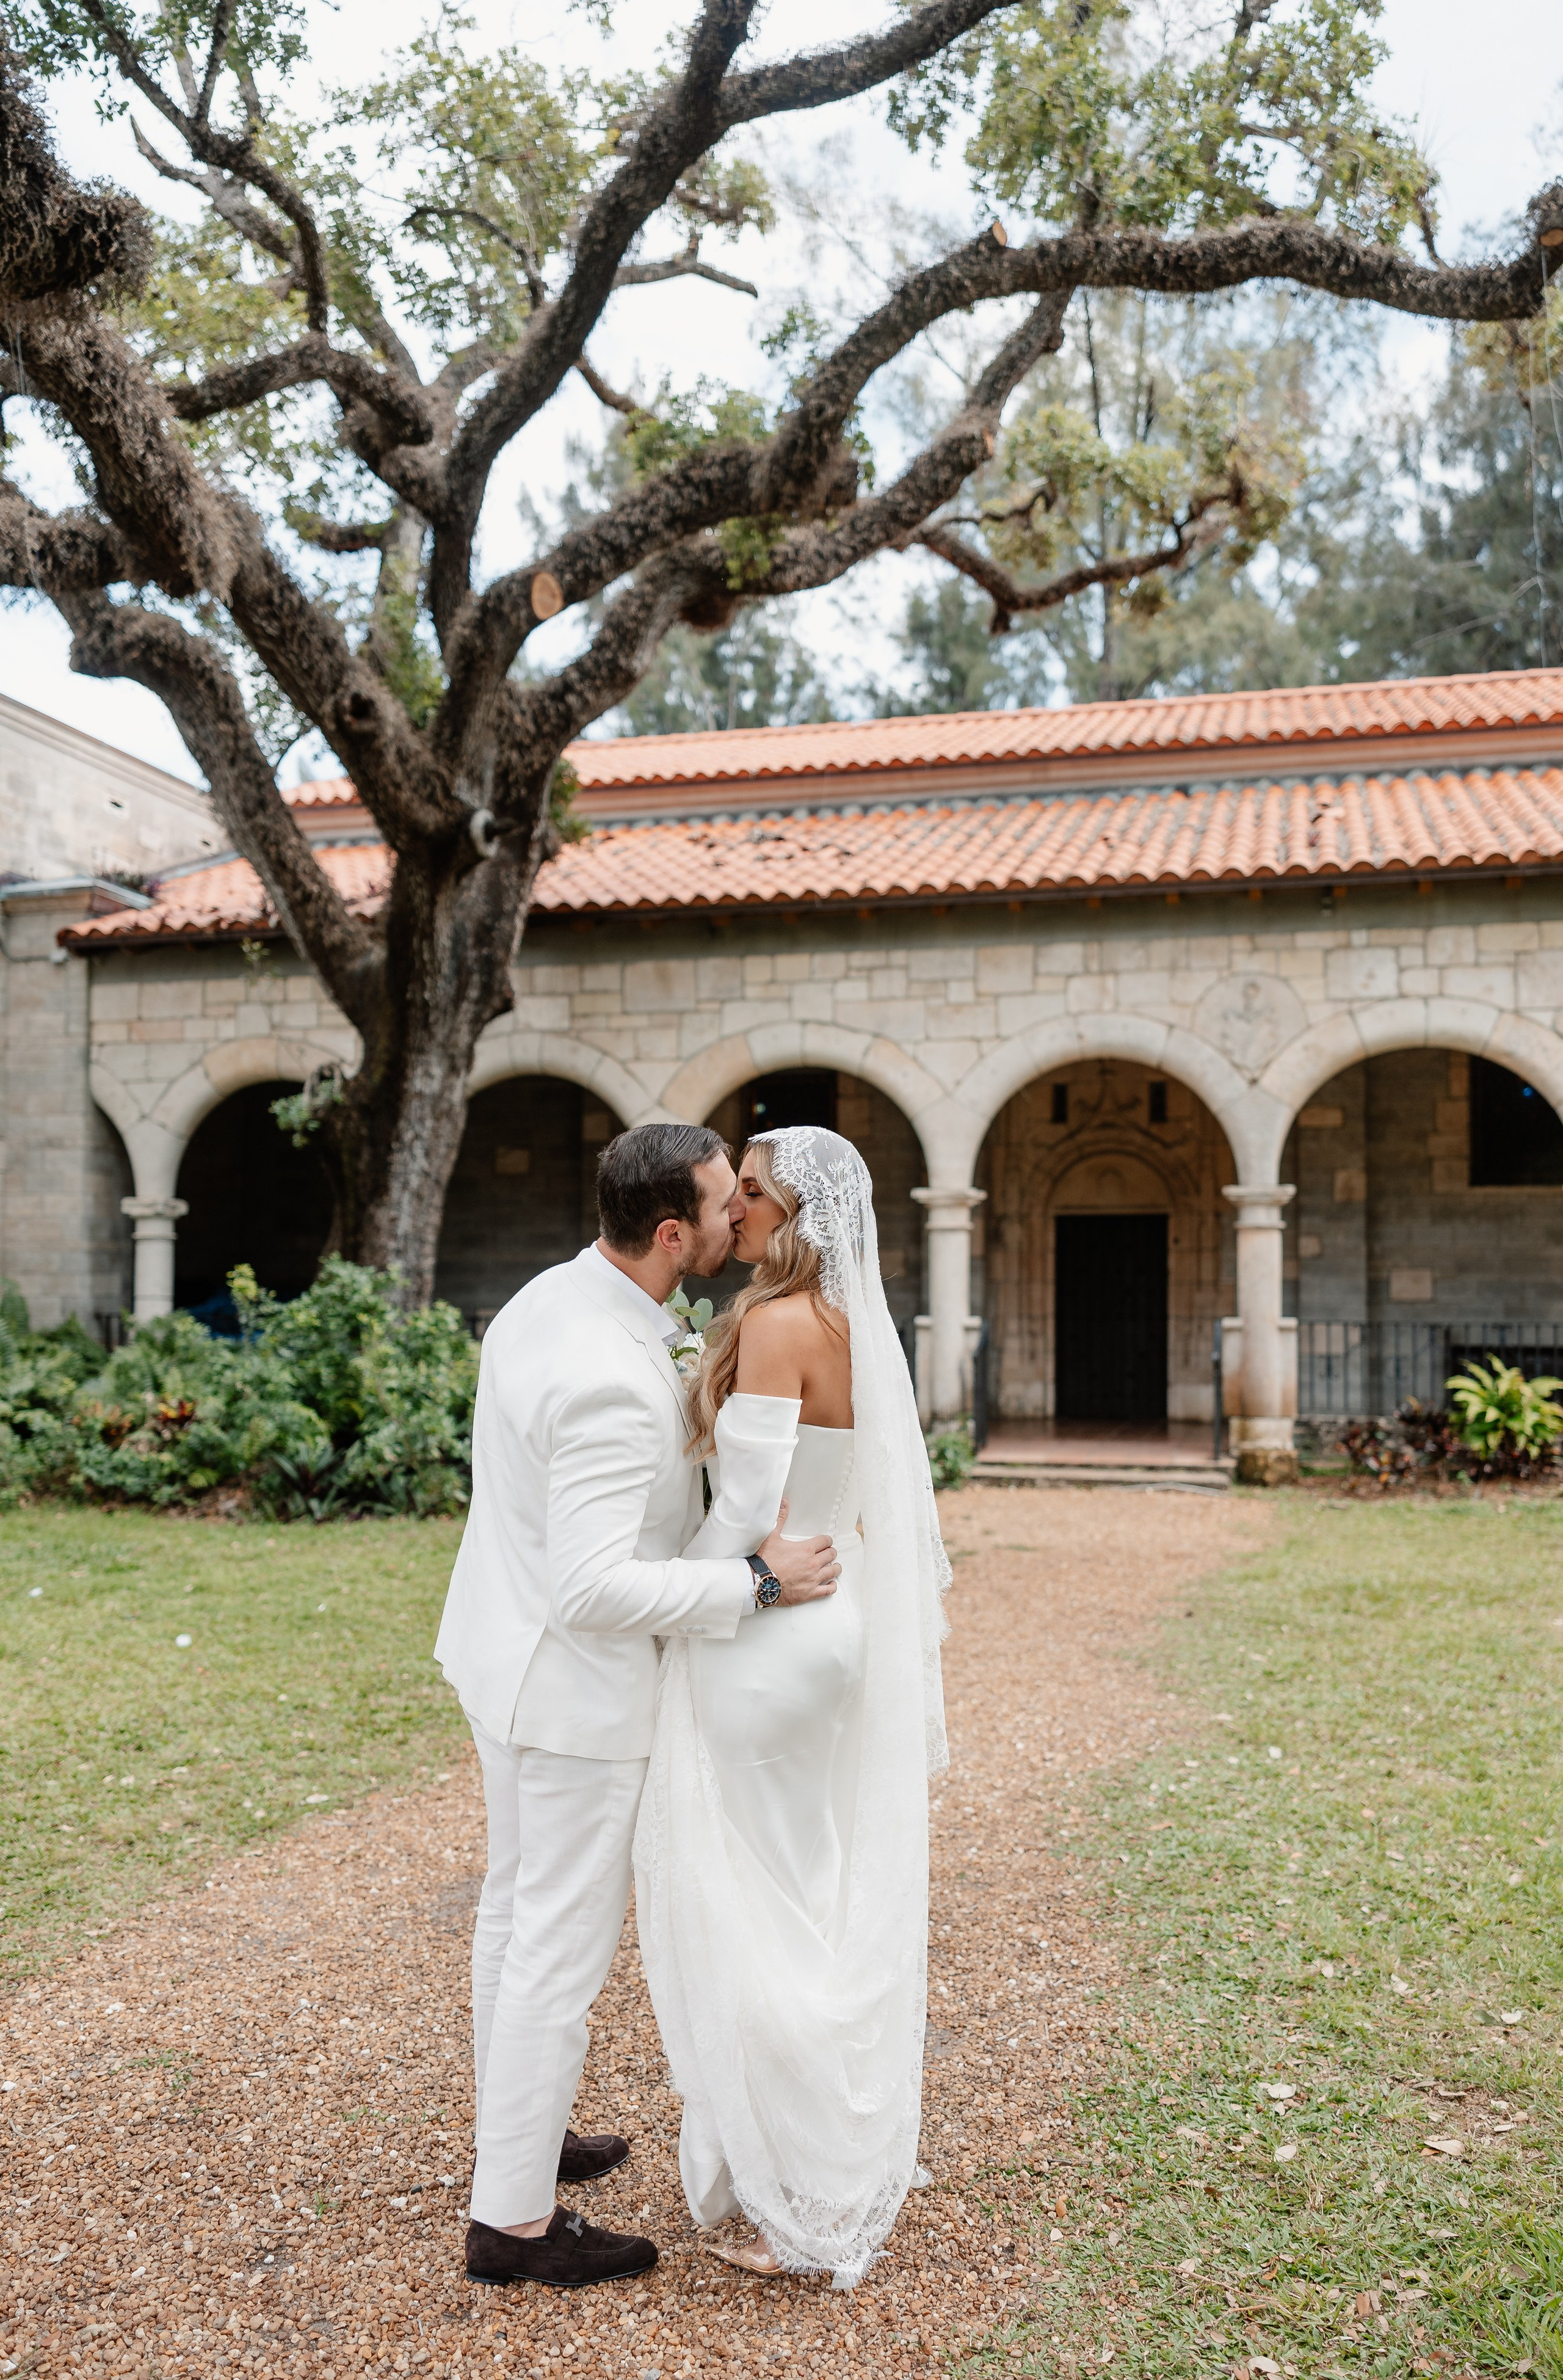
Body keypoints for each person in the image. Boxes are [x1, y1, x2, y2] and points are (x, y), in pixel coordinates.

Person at [434, 1121, 841, 2291]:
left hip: (498, 1651)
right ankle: (511, 2221)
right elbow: (594, 1583)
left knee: (516, 1912)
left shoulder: (552, 1296)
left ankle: (524, 2123)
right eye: (726, 1205)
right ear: (673, 1234)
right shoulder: (610, 1378)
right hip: (570, 1691)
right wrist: (754, 1581)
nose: (740, 1220)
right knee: (558, 1944)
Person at [634, 1126, 952, 2289]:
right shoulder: (858, 1326)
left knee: (751, 1905)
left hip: (767, 1629)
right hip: (837, 1626)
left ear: (800, 1214)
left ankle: (801, 2185)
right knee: (809, 1888)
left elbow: (750, 1514)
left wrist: (676, 1597)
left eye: (754, 1195)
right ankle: (834, 2138)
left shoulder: (773, 1323)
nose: (737, 1215)